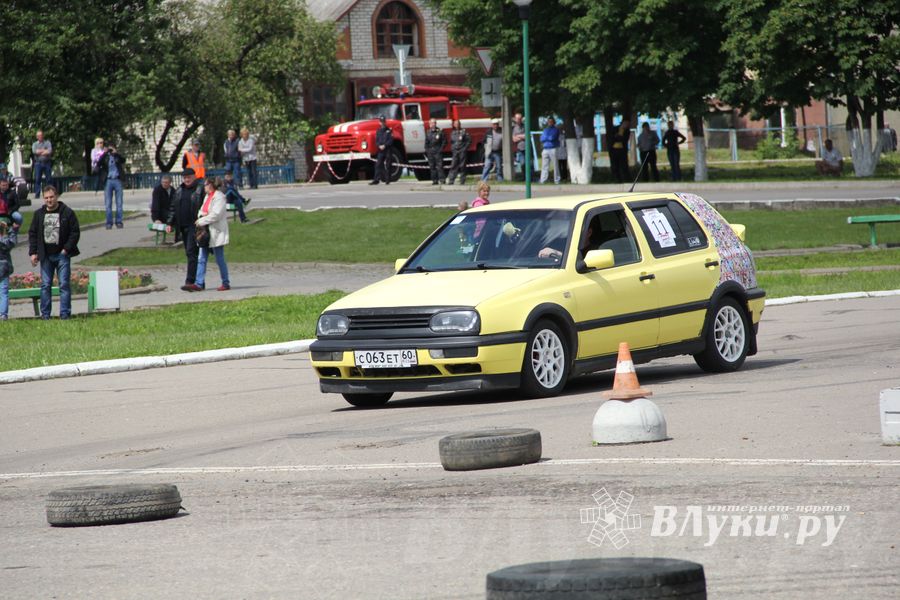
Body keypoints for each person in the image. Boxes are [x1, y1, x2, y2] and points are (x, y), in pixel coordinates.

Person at [28, 185, 80, 320]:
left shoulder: (67, 212)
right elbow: (32, 233)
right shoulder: (39, 214)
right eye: (46, 198)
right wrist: (33, 253)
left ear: (56, 196)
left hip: (62, 255)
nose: (49, 200)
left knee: (64, 284)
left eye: (51, 197)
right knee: (45, 285)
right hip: (45, 255)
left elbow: (75, 232)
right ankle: (45, 315)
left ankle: (65, 314)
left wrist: (66, 249)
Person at [166, 168, 204, 291]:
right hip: (183, 226)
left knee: (191, 252)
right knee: (192, 254)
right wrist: (169, 222)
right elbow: (172, 207)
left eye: (189, 177)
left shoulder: (200, 189)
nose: (187, 180)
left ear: (194, 177)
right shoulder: (179, 190)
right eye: (185, 178)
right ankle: (199, 282)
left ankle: (190, 281)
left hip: (196, 225)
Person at [194, 176, 231, 292]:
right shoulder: (207, 197)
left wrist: (201, 220)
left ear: (210, 185)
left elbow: (216, 215)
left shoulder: (219, 197)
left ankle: (225, 282)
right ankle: (199, 283)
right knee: (201, 258)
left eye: (205, 185)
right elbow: (202, 210)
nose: (203, 187)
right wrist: (200, 217)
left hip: (216, 231)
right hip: (206, 232)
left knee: (219, 258)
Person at [97, 142, 126, 229]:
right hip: (108, 180)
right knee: (108, 203)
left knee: (119, 203)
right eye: (109, 148)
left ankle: (119, 222)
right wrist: (105, 153)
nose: (110, 150)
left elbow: (123, 160)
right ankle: (109, 223)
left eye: (111, 149)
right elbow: (99, 164)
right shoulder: (105, 157)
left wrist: (116, 153)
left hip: (117, 180)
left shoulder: (117, 157)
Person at [0, 219, 19, 321]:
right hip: (4, 268)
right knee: (4, 292)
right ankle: (3, 315)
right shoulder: (5, 241)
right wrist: (11, 230)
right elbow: (13, 241)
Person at [370, 116, 394, 185]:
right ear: (379, 122)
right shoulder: (378, 131)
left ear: (385, 122)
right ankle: (376, 180)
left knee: (388, 165)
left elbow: (391, 140)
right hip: (381, 150)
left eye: (383, 121)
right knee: (378, 164)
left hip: (387, 149)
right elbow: (377, 141)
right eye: (381, 121)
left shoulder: (389, 130)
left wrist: (385, 145)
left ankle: (387, 180)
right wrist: (379, 146)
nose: (382, 123)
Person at [446, 120, 471, 185]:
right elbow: (451, 142)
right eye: (455, 124)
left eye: (458, 124)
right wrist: (453, 149)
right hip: (455, 151)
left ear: (460, 124)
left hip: (462, 151)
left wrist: (464, 148)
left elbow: (468, 141)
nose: (456, 125)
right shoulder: (453, 132)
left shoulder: (464, 132)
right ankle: (451, 180)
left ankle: (462, 181)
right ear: (454, 125)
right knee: (453, 165)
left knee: (462, 166)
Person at [32, 130, 53, 199]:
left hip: (47, 163)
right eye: (38, 136)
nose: (40, 137)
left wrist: (40, 151)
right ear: (37, 137)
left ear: (43, 135)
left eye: (41, 135)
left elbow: (49, 151)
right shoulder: (35, 144)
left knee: (48, 179)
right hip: (38, 163)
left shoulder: (47, 143)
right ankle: (37, 194)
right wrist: (44, 150)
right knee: (38, 179)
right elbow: (35, 152)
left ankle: (49, 193)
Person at [424, 118, 445, 185]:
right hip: (430, 152)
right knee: (432, 167)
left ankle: (442, 180)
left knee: (439, 166)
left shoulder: (439, 131)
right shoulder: (428, 132)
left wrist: (440, 149)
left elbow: (444, 141)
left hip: (438, 151)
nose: (432, 124)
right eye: (431, 123)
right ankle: (434, 180)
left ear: (435, 124)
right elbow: (426, 142)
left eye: (433, 123)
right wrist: (427, 150)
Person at [540, 117, 561, 184]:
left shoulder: (556, 130)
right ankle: (543, 180)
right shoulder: (545, 130)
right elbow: (541, 139)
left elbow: (552, 138)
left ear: (554, 122)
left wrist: (546, 137)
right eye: (549, 121)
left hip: (553, 148)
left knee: (555, 165)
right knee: (544, 166)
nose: (550, 123)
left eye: (551, 121)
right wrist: (547, 137)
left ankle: (557, 180)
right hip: (545, 149)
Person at [512, 112, 526, 180]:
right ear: (515, 119)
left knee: (529, 164)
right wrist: (522, 136)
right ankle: (524, 177)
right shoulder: (514, 128)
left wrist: (518, 136)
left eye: (520, 118)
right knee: (523, 164)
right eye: (517, 119)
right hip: (519, 149)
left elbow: (527, 136)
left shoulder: (525, 126)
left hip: (527, 148)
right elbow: (513, 139)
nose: (519, 120)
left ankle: (530, 178)